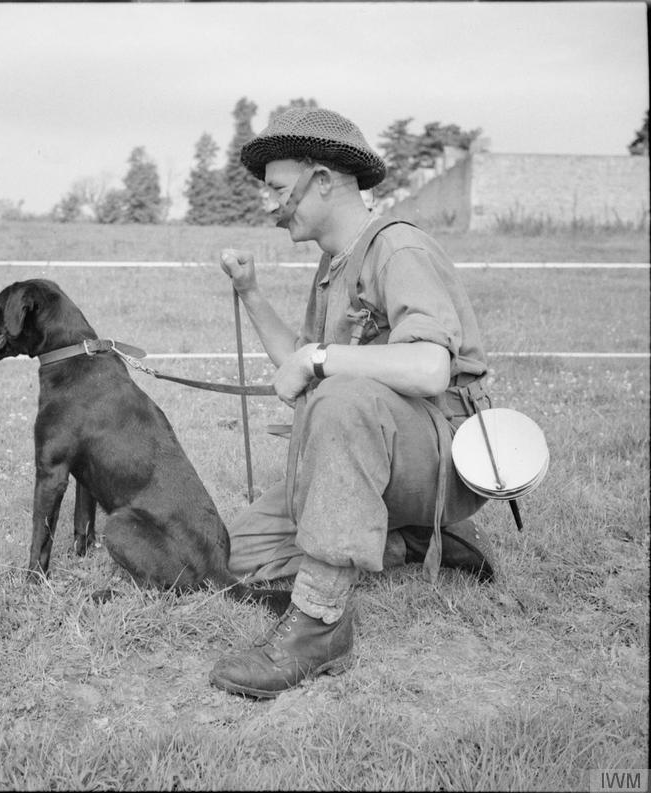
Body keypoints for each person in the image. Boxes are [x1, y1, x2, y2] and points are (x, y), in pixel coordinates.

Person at [209, 107, 497, 699]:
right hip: (377, 451)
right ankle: (407, 541)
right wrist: (252, 294)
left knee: (340, 397)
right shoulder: (331, 267)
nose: (270, 205)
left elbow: (428, 365)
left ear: (322, 180)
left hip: (446, 457)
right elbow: (302, 356)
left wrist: (320, 362)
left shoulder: (397, 249)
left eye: (279, 190)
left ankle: (318, 624)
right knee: (237, 554)